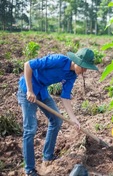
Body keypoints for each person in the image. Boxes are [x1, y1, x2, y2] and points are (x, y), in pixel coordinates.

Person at [17, 48, 98, 176]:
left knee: (57, 120)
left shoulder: (72, 75)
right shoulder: (59, 60)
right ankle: (29, 169)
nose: (84, 71)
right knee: (30, 129)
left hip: (42, 91)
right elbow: (28, 65)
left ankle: (47, 157)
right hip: (27, 90)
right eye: (84, 67)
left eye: (86, 68)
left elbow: (65, 97)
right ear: (77, 62)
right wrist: (29, 90)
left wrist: (74, 119)